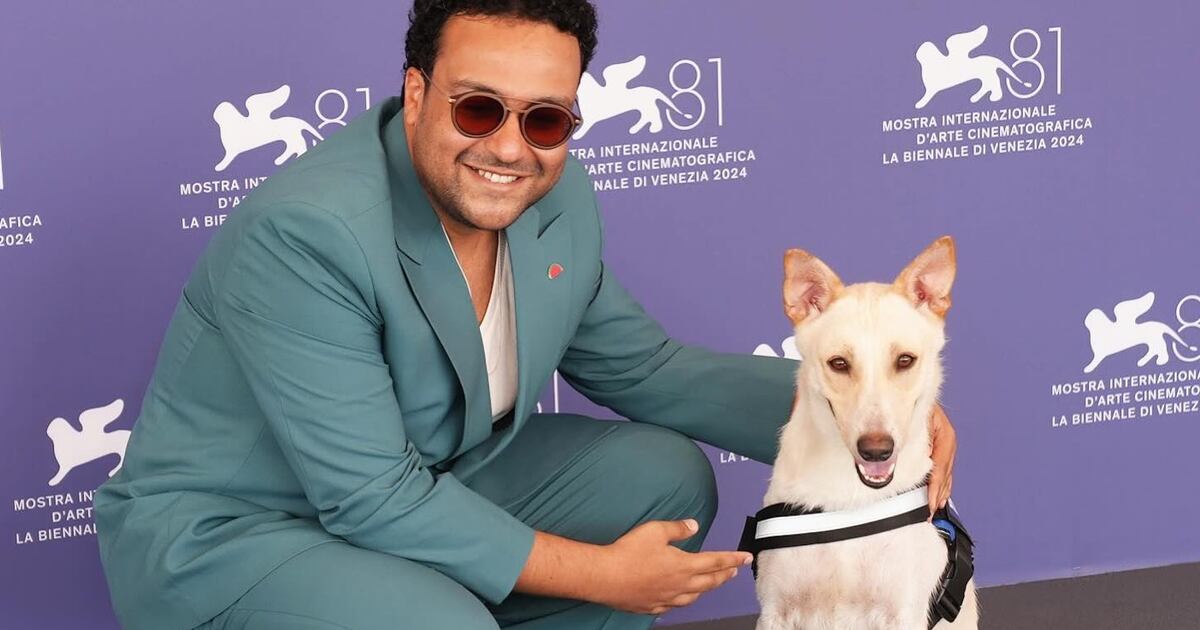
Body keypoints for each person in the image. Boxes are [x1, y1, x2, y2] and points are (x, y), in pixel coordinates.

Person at [95, 1, 958, 629]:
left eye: (546, 119)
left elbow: (646, 368)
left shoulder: (551, 197)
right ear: (416, 91)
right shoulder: (305, 233)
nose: (510, 147)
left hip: (429, 477)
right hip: (240, 533)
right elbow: (368, 496)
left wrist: (879, 405)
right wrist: (607, 578)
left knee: (664, 480)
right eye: (478, 108)